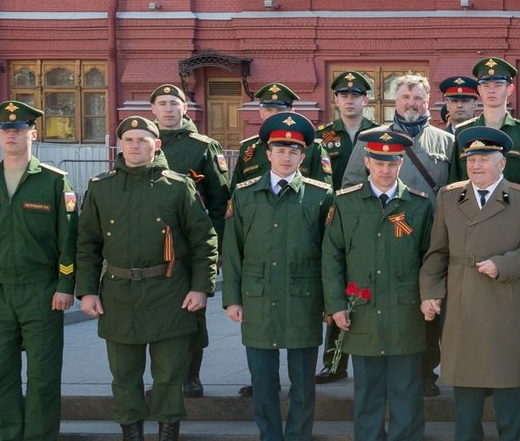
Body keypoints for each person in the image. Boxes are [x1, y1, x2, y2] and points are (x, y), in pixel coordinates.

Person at [77, 115, 218, 441]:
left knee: (169, 375)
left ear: (156, 145)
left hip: (169, 292)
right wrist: (86, 291)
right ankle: (132, 435)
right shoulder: (101, 188)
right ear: (120, 145)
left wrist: (201, 288)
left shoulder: (178, 186)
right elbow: (86, 245)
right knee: (124, 376)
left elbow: (203, 240)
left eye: (143, 140)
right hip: (118, 295)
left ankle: (168, 434)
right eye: (129, 140)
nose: (135, 145)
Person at [0, 100, 77, 441]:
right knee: (2, 374)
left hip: (42, 290)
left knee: (43, 374)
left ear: (32, 134)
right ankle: (8, 435)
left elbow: (69, 241)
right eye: (5, 130)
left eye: (18, 130)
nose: (11, 135)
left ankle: (39, 436)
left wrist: (66, 285)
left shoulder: (53, 182)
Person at [422, 126, 520, 441]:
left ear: (501, 163)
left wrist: (503, 265)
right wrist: (431, 293)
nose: (476, 165)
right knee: (465, 389)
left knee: (506, 382)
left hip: (502, 299)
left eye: (484, 159)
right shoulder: (450, 196)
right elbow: (436, 252)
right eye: (471, 159)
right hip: (462, 298)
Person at [335, 71, 454, 387]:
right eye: (405, 97)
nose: (411, 103)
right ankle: (382, 365)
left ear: (428, 101)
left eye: (417, 98)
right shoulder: (370, 139)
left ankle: (426, 372)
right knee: (381, 304)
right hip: (380, 237)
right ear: (395, 101)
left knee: (425, 305)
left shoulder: (447, 141)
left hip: (429, 241)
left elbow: (456, 191)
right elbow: (350, 185)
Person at [223, 112, 334, 441]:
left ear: (303, 156)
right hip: (257, 298)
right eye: (280, 151)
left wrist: (329, 303)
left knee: (303, 382)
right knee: (262, 380)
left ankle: (299, 436)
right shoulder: (244, 194)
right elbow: (232, 251)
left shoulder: (319, 195)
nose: (287, 157)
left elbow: (330, 254)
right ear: (268, 154)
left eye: (294, 152)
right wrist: (231, 298)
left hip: (304, 298)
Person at [324, 124, 435, 441]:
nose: (386, 169)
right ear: (367, 162)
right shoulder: (345, 203)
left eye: (393, 162)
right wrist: (334, 306)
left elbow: (431, 257)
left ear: (401, 163)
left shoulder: (418, 204)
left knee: (407, 394)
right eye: (379, 162)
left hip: (405, 313)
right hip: (362, 311)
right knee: (368, 394)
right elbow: (331, 257)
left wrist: (429, 298)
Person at [143, 84, 230, 399]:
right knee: (155, 314)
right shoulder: (139, 142)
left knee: (192, 310)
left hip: (191, 244)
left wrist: (217, 246)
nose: (168, 109)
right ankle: (164, 378)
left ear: (185, 108)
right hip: (149, 246)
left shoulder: (203, 147)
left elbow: (220, 200)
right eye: (162, 103)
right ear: (152, 109)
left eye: (174, 103)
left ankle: (191, 377)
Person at [453, 57, 520, 192]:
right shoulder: (464, 132)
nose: (491, 91)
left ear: (510, 89)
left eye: (498, 85)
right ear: (479, 89)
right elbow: (454, 182)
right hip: (471, 211)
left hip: (514, 210)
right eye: (486, 86)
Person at [232, 83, 330, 189]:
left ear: (292, 112)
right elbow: (237, 193)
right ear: (261, 112)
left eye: (280, 110)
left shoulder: (312, 148)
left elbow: (323, 194)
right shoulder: (248, 148)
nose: (274, 115)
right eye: (268, 110)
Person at [318, 70, 378, 189]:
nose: (349, 101)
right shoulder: (322, 135)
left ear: (365, 101)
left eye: (355, 96)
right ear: (336, 100)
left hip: (369, 204)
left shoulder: (376, 133)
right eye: (344, 96)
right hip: (334, 203)